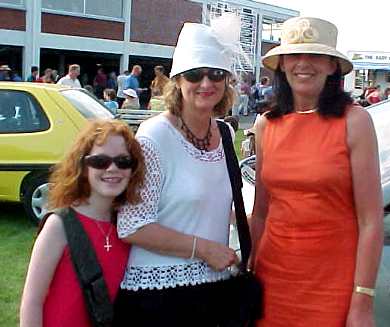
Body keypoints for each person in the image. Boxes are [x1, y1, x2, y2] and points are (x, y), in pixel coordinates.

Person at [250, 16, 384, 327]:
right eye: (294, 55)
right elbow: (260, 213)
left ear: (332, 65)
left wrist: (362, 300)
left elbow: (371, 220)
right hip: (272, 282)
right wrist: (251, 272)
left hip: (333, 286)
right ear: (281, 64)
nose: (303, 64)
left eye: (314, 55)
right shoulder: (266, 124)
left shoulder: (355, 122)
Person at [113, 15, 244, 327]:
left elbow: (210, 202)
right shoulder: (155, 136)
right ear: (178, 81)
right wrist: (205, 250)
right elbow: (132, 225)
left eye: (216, 74)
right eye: (195, 75)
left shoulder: (224, 133)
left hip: (213, 290)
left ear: (227, 81)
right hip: (159, 297)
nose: (206, 83)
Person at [20, 119, 145, 327]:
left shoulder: (129, 226)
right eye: (100, 161)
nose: (112, 168)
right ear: (84, 166)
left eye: (123, 161)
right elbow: (32, 301)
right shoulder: (59, 225)